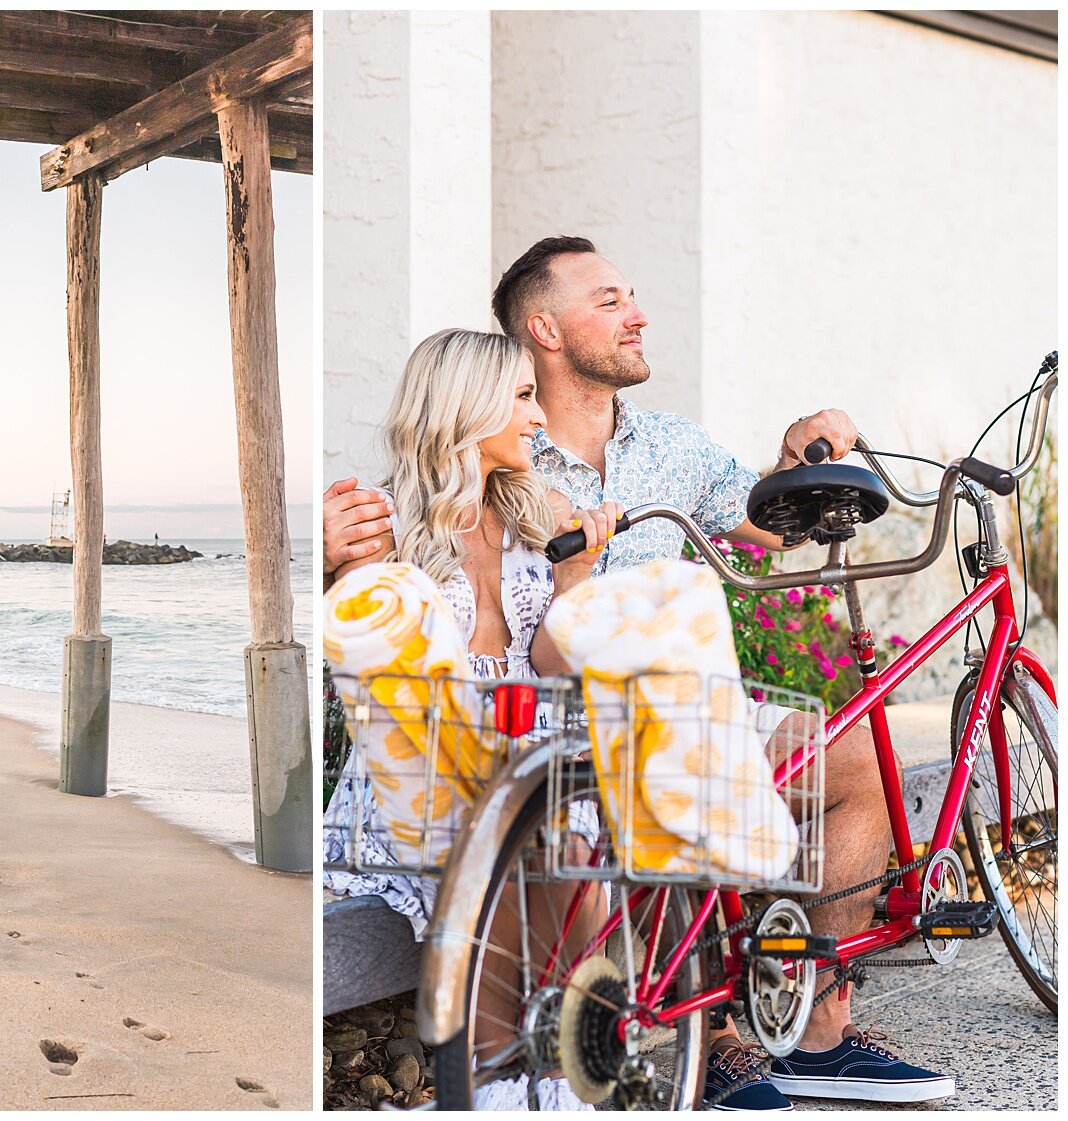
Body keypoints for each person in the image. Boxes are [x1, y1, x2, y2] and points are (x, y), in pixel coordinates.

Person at [323, 237, 953, 1108]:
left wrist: (797, 454)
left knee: (846, 764)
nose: (638, 313)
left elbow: (768, 519)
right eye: (611, 299)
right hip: (560, 726)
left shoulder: (666, 447)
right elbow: (370, 610)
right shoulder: (509, 469)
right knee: (636, 791)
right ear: (543, 329)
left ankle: (816, 1039)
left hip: (663, 694)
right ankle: (707, 1039)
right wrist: (330, 564)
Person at [324, 327, 618, 1110]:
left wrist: (576, 572)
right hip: (420, 770)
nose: (538, 417)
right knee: (531, 840)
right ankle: (506, 1084)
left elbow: (555, 664)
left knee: (566, 832)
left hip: (523, 754)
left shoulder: (536, 511)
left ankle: (547, 1084)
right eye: (522, 397)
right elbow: (369, 673)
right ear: (467, 406)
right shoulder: (383, 524)